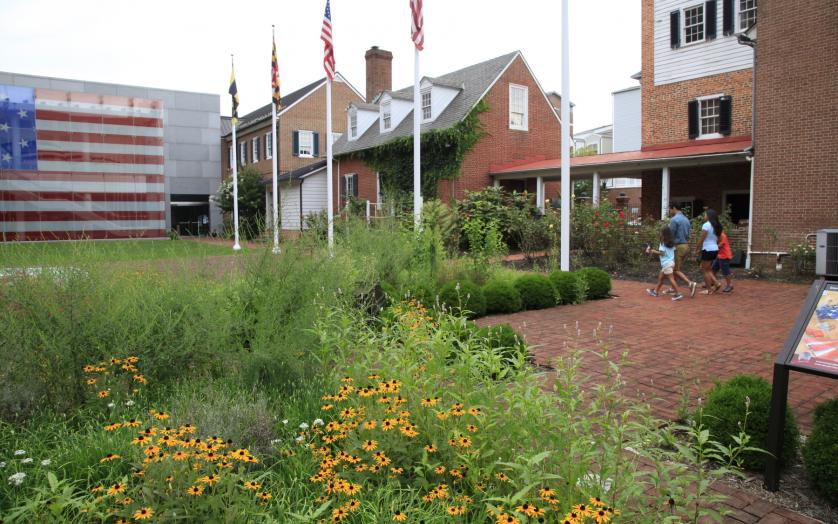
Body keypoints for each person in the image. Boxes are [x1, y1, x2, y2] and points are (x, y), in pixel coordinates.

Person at [645, 226, 684, 301]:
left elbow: (662, 253)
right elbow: (672, 251)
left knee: (671, 279)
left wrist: (652, 251)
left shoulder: (662, 242)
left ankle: (678, 294)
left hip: (666, 264)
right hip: (671, 262)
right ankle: (655, 291)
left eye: (661, 232)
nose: (660, 233)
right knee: (661, 278)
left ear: (663, 234)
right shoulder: (672, 242)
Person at [668, 203, 698, 297]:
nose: (670, 211)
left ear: (674, 208)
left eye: (670, 209)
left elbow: (671, 235)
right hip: (685, 246)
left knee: (675, 269)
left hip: (678, 246)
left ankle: (690, 283)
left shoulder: (674, 220)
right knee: (676, 267)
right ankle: (672, 288)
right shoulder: (686, 219)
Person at [696, 209, 722, 294]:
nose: (704, 216)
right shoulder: (717, 226)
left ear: (709, 216)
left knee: (704, 269)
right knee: (708, 268)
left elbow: (702, 239)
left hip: (707, 249)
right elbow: (719, 239)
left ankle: (709, 290)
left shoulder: (706, 225)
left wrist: (697, 248)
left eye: (705, 215)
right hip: (714, 249)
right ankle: (716, 283)